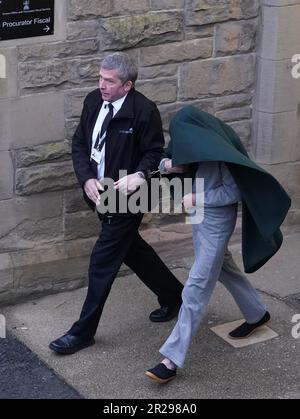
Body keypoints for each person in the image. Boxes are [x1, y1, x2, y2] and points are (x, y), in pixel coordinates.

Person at [49, 52, 183, 355]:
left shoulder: (144, 111)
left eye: (109, 81)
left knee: (102, 262)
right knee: (132, 250)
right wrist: (86, 179)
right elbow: (80, 144)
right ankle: (175, 295)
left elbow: (154, 152)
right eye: (100, 78)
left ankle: (82, 333)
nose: (102, 85)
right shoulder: (92, 101)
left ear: (127, 86)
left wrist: (140, 174)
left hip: (128, 197)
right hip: (99, 192)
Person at [145, 106, 291, 384]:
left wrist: (197, 199)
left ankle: (171, 359)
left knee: (197, 285)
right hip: (199, 218)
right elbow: (168, 158)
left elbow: (233, 192)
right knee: (223, 266)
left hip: (216, 221)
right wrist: (170, 165)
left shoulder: (219, 151)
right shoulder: (190, 142)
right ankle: (257, 313)